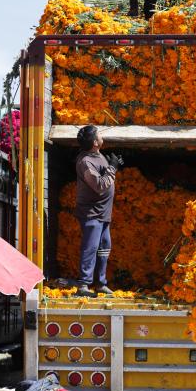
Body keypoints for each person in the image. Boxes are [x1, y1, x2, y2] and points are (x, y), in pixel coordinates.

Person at [75, 125, 123, 298]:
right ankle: (83, 285)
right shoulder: (85, 162)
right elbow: (100, 186)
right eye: (99, 135)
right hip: (92, 213)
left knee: (104, 248)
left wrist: (111, 165)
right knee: (90, 248)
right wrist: (112, 168)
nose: (102, 137)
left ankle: (101, 283)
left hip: (102, 213)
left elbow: (105, 177)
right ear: (95, 142)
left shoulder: (98, 156)